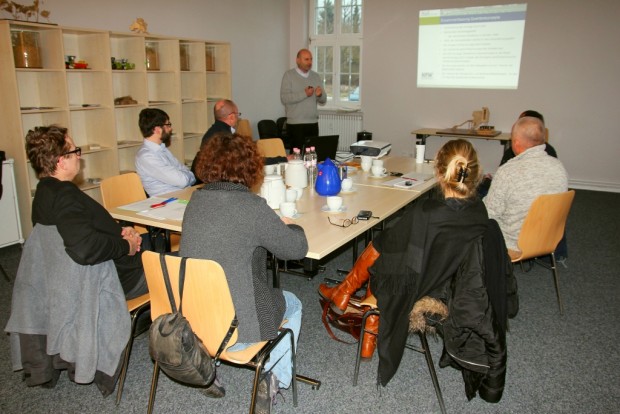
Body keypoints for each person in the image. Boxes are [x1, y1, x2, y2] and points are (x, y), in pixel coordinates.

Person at [319, 139, 495, 385]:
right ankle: (346, 294)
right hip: (453, 279)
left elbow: (390, 246)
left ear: (439, 171)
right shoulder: (479, 211)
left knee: (383, 248)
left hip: (424, 284)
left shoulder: (427, 213)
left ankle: (346, 292)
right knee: (389, 246)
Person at [180, 132, 308, 409]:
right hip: (238, 326)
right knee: (294, 303)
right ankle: (274, 378)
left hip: (194, 318)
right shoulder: (252, 206)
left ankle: (206, 368)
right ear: (250, 166)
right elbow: (295, 250)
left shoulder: (195, 202)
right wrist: (290, 225)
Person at [25, 125, 148, 300]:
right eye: (75, 151)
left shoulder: (43, 193)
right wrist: (126, 245)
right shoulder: (65, 195)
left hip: (81, 282)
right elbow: (85, 248)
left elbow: (81, 230)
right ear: (61, 161)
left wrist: (121, 231)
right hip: (118, 279)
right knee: (190, 263)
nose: (78, 157)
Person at [484, 116, 568, 251]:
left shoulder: (508, 171)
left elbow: (489, 213)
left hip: (512, 242)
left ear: (516, 143)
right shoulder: (559, 167)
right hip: (549, 238)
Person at [135, 108, 196, 196]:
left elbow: (185, 171)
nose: (170, 129)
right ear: (157, 129)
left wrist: (187, 177)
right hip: (168, 201)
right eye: (168, 125)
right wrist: (188, 177)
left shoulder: (162, 148)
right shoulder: (146, 156)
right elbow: (182, 181)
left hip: (182, 194)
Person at [280, 48, 327, 150]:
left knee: (313, 158)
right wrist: (304, 93)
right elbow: (284, 98)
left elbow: (324, 100)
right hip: (296, 125)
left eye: (311, 59)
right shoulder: (289, 75)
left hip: (313, 123)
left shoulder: (315, 76)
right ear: (298, 60)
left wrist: (320, 95)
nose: (309, 62)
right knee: (298, 159)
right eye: (306, 59)